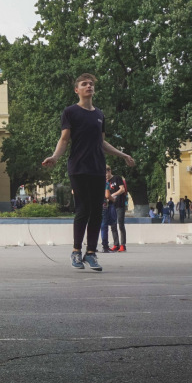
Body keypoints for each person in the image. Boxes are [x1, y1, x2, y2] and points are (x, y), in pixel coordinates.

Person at [43, 73, 135, 272]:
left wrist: (122, 155)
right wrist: (55, 157)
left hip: (97, 169)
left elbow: (101, 143)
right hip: (78, 168)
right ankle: (76, 251)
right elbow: (65, 139)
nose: (89, 86)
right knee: (83, 209)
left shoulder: (99, 115)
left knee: (97, 212)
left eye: (91, 84)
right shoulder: (70, 112)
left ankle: (91, 253)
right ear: (77, 90)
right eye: (84, 84)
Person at [107, 166, 128, 251]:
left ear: (109, 171)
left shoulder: (117, 178)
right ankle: (116, 244)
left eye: (105, 173)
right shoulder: (106, 182)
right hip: (111, 205)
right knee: (113, 225)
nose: (105, 175)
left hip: (119, 204)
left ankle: (123, 245)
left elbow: (122, 189)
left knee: (121, 224)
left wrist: (113, 195)